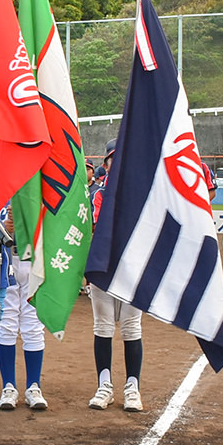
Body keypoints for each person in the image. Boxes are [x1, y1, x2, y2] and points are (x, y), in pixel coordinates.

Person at [87, 142, 145, 412]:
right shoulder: (98, 193)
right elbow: (97, 227)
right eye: (113, 159)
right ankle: (104, 385)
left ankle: (132, 387)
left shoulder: (144, 192)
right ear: (106, 164)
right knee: (104, 327)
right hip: (104, 267)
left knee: (132, 328)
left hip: (134, 267)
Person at [0, 206, 49, 411]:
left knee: (33, 324)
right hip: (5, 257)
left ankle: (33, 386)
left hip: (34, 258)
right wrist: (3, 227)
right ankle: (8, 386)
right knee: (6, 323)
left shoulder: (37, 186)